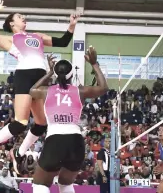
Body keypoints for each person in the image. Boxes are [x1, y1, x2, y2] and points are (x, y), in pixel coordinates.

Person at [0, 0, 80, 174]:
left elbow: (63, 42)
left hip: (40, 78)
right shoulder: (10, 39)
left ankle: (19, 152)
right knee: (20, 123)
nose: (23, 18)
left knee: (41, 124)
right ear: (12, 23)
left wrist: (72, 25)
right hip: (24, 76)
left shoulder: (37, 36)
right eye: (19, 16)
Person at [29, 46, 109, 193]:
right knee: (65, 184)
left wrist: (49, 73)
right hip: (75, 142)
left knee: (40, 184)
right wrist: (94, 63)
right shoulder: (80, 91)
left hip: (55, 140)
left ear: (56, 74)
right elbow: (103, 87)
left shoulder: (46, 91)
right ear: (72, 76)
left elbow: (32, 90)